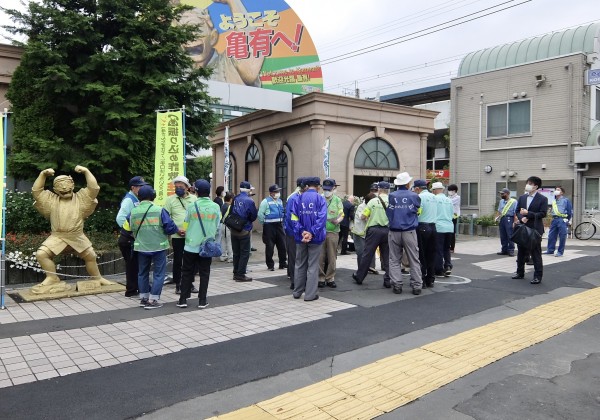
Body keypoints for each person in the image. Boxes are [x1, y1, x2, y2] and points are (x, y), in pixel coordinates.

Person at [31, 166, 115, 294]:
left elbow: (94, 189)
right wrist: (43, 174)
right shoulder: (51, 200)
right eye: (60, 185)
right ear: (55, 190)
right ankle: (52, 277)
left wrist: (87, 171)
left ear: (73, 185)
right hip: (57, 236)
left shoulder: (81, 198)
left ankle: (98, 278)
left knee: (91, 256)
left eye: (67, 184)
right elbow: (37, 192)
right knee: (41, 254)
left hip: (77, 236)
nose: (64, 188)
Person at [181, 0, 265, 87]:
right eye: (183, 34)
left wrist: (233, 2)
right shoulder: (180, 72)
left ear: (213, 37)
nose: (190, 39)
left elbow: (249, 44)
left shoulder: (228, 65)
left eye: (197, 31)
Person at [125, 185, 180, 309]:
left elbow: (130, 225)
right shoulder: (159, 210)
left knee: (142, 273)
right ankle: (153, 300)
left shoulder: (133, 212)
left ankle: (144, 298)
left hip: (141, 247)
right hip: (158, 246)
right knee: (159, 274)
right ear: (153, 196)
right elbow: (170, 227)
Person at [177, 179, 220, 309]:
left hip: (191, 245)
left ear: (196, 191)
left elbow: (186, 223)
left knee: (186, 272)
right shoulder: (215, 207)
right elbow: (217, 226)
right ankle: (202, 300)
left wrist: (185, 230)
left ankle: (183, 299)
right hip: (207, 247)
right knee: (204, 273)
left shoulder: (191, 206)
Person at [290, 177, 327, 301]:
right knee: (313, 266)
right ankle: (310, 295)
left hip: (300, 237)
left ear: (306, 186)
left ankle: (297, 292)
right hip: (316, 238)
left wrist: (302, 231)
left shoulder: (298, 198)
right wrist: (311, 232)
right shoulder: (320, 199)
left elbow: (294, 217)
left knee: (299, 264)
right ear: (317, 186)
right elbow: (321, 219)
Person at [387, 172, 422, 295]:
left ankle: (397, 284)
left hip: (394, 230)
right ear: (407, 183)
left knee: (394, 259)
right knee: (413, 258)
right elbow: (417, 209)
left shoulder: (392, 196)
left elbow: (389, 213)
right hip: (409, 230)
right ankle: (416, 285)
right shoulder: (414, 196)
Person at [352, 181, 391, 288]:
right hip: (387, 231)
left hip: (374, 231)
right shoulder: (392, 201)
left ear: (379, 190)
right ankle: (388, 280)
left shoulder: (373, 201)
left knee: (367, 254)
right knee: (387, 255)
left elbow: (363, 217)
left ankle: (360, 277)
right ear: (388, 190)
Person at [163, 175, 198, 295]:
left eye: (181, 187)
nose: (178, 188)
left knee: (192, 260)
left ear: (187, 187)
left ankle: (190, 283)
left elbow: (197, 216)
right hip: (177, 236)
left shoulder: (194, 199)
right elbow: (166, 217)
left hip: (192, 235)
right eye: (176, 187)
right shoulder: (170, 199)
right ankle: (178, 284)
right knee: (178, 261)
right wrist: (176, 229)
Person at [512, 176, 548, 284]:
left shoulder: (542, 199)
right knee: (521, 252)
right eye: (527, 182)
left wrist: (529, 214)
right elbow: (517, 210)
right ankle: (520, 272)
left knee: (535, 253)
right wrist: (520, 217)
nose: (528, 185)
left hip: (535, 229)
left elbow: (543, 213)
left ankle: (538, 276)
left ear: (536, 186)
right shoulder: (522, 197)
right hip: (523, 227)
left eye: (530, 183)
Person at [116, 176, 147, 297]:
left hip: (132, 239)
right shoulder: (129, 200)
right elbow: (120, 218)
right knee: (132, 265)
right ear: (133, 188)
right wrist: (129, 231)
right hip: (128, 239)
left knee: (134, 264)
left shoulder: (136, 198)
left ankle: (135, 287)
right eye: (140, 186)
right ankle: (131, 290)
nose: (142, 188)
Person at [228, 181, 258, 281]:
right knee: (244, 253)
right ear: (248, 189)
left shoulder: (235, 198)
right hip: (244, 228)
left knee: (236, 252)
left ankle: (235, 272)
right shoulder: (250, 201)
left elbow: (231, 211)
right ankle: (240, 274)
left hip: (234, 228)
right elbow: (253, 216)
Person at [319, 178, 344, 288]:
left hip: (333, 231)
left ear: (333, 188)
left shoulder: (337, 200)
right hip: (320, 231)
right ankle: (320, 277)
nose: (327, 191)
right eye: (325, 189)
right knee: (320, 256)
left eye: (329, 189)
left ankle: (330, 278)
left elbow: (341, 214)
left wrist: (338, 220)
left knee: (332, 256)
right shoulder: (319, 198)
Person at [413, 179, 437, 288]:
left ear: (417, 188)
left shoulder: (420, 197)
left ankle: (421, 279)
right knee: (431, 254)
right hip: (433, 227)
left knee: (421, 255)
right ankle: (430, 279)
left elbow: (418, 212)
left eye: (414, 189)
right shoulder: (433, 196)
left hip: (423, 226)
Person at [257, 184, 287, 271]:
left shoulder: (280, 201)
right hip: (269, 226)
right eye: (276, 191)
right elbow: (260, 214)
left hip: (279, 225)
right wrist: (264, 223)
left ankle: (283, 263)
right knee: (270, 246)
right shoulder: (265, 201)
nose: (278, 193)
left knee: (282, 245)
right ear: (271, 193)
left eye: (278, 191)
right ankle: (270, 265)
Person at [285, 178, 306, 289]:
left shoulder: (302, 198)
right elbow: (290, 217)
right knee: (294, 257)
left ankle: (299, 280)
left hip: (301, 233)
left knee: (300, 258)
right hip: (293, 233)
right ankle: (295, 281)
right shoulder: (293, 198)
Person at [351, 193, 378, 273]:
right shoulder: (361, 207)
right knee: (361, 252)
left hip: (368, 233)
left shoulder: (372, 206)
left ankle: (371, 267)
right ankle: (361, 269)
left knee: (371, 250)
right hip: (359, 233)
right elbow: (363, 217)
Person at [432, 182, 454, 276]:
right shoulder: (449, 200)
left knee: (438, 249)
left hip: (439, 226)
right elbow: (452, 213)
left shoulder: (434, 199)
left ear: (435, 190)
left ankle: (439, 269)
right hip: (449, 226)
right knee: (446, 248)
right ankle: (448, 266)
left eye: (433, 190)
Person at [545, 186, 573, 257]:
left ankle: (560, 252)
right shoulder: (554, 201)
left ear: (562, 192)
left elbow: (570, 211)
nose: (556, 191)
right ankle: (550, 250)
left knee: (562, 236)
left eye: (558, 190)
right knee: (551, 235)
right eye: (556, 190)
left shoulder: (565, 200)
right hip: (554, 219)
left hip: (562, 219)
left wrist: (567, 219)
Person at [495, 188, 517, 257]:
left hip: (509, 218)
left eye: (503, 194)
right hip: (502, 218)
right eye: (501, 194)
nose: (501, 195)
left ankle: (511, 250)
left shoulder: (513, 201)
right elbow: (499, 210)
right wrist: (496, 217)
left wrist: (515, 221)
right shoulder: (501, 201)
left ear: (507, 194)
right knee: (503, 235)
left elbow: (515, 212)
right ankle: (504, 250)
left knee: (510, 235)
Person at [219, 192, 234, 263]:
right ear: (230, 199)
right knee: (229, 242)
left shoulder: (222, 205)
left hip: (222, 225)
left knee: (223, 241)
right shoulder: (230, 207)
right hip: (228, 226)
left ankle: (223, 256)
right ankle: (231, 257)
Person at [447, 184, 460, 252]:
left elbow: (449, 202)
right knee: (448, 231)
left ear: (454, 191)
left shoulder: (457, 197)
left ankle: (452, 247)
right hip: (448, 216)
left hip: (454, 216)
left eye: (450, 190)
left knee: (452, 232)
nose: (449, 191)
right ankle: (448, 246)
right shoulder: (449, 197)